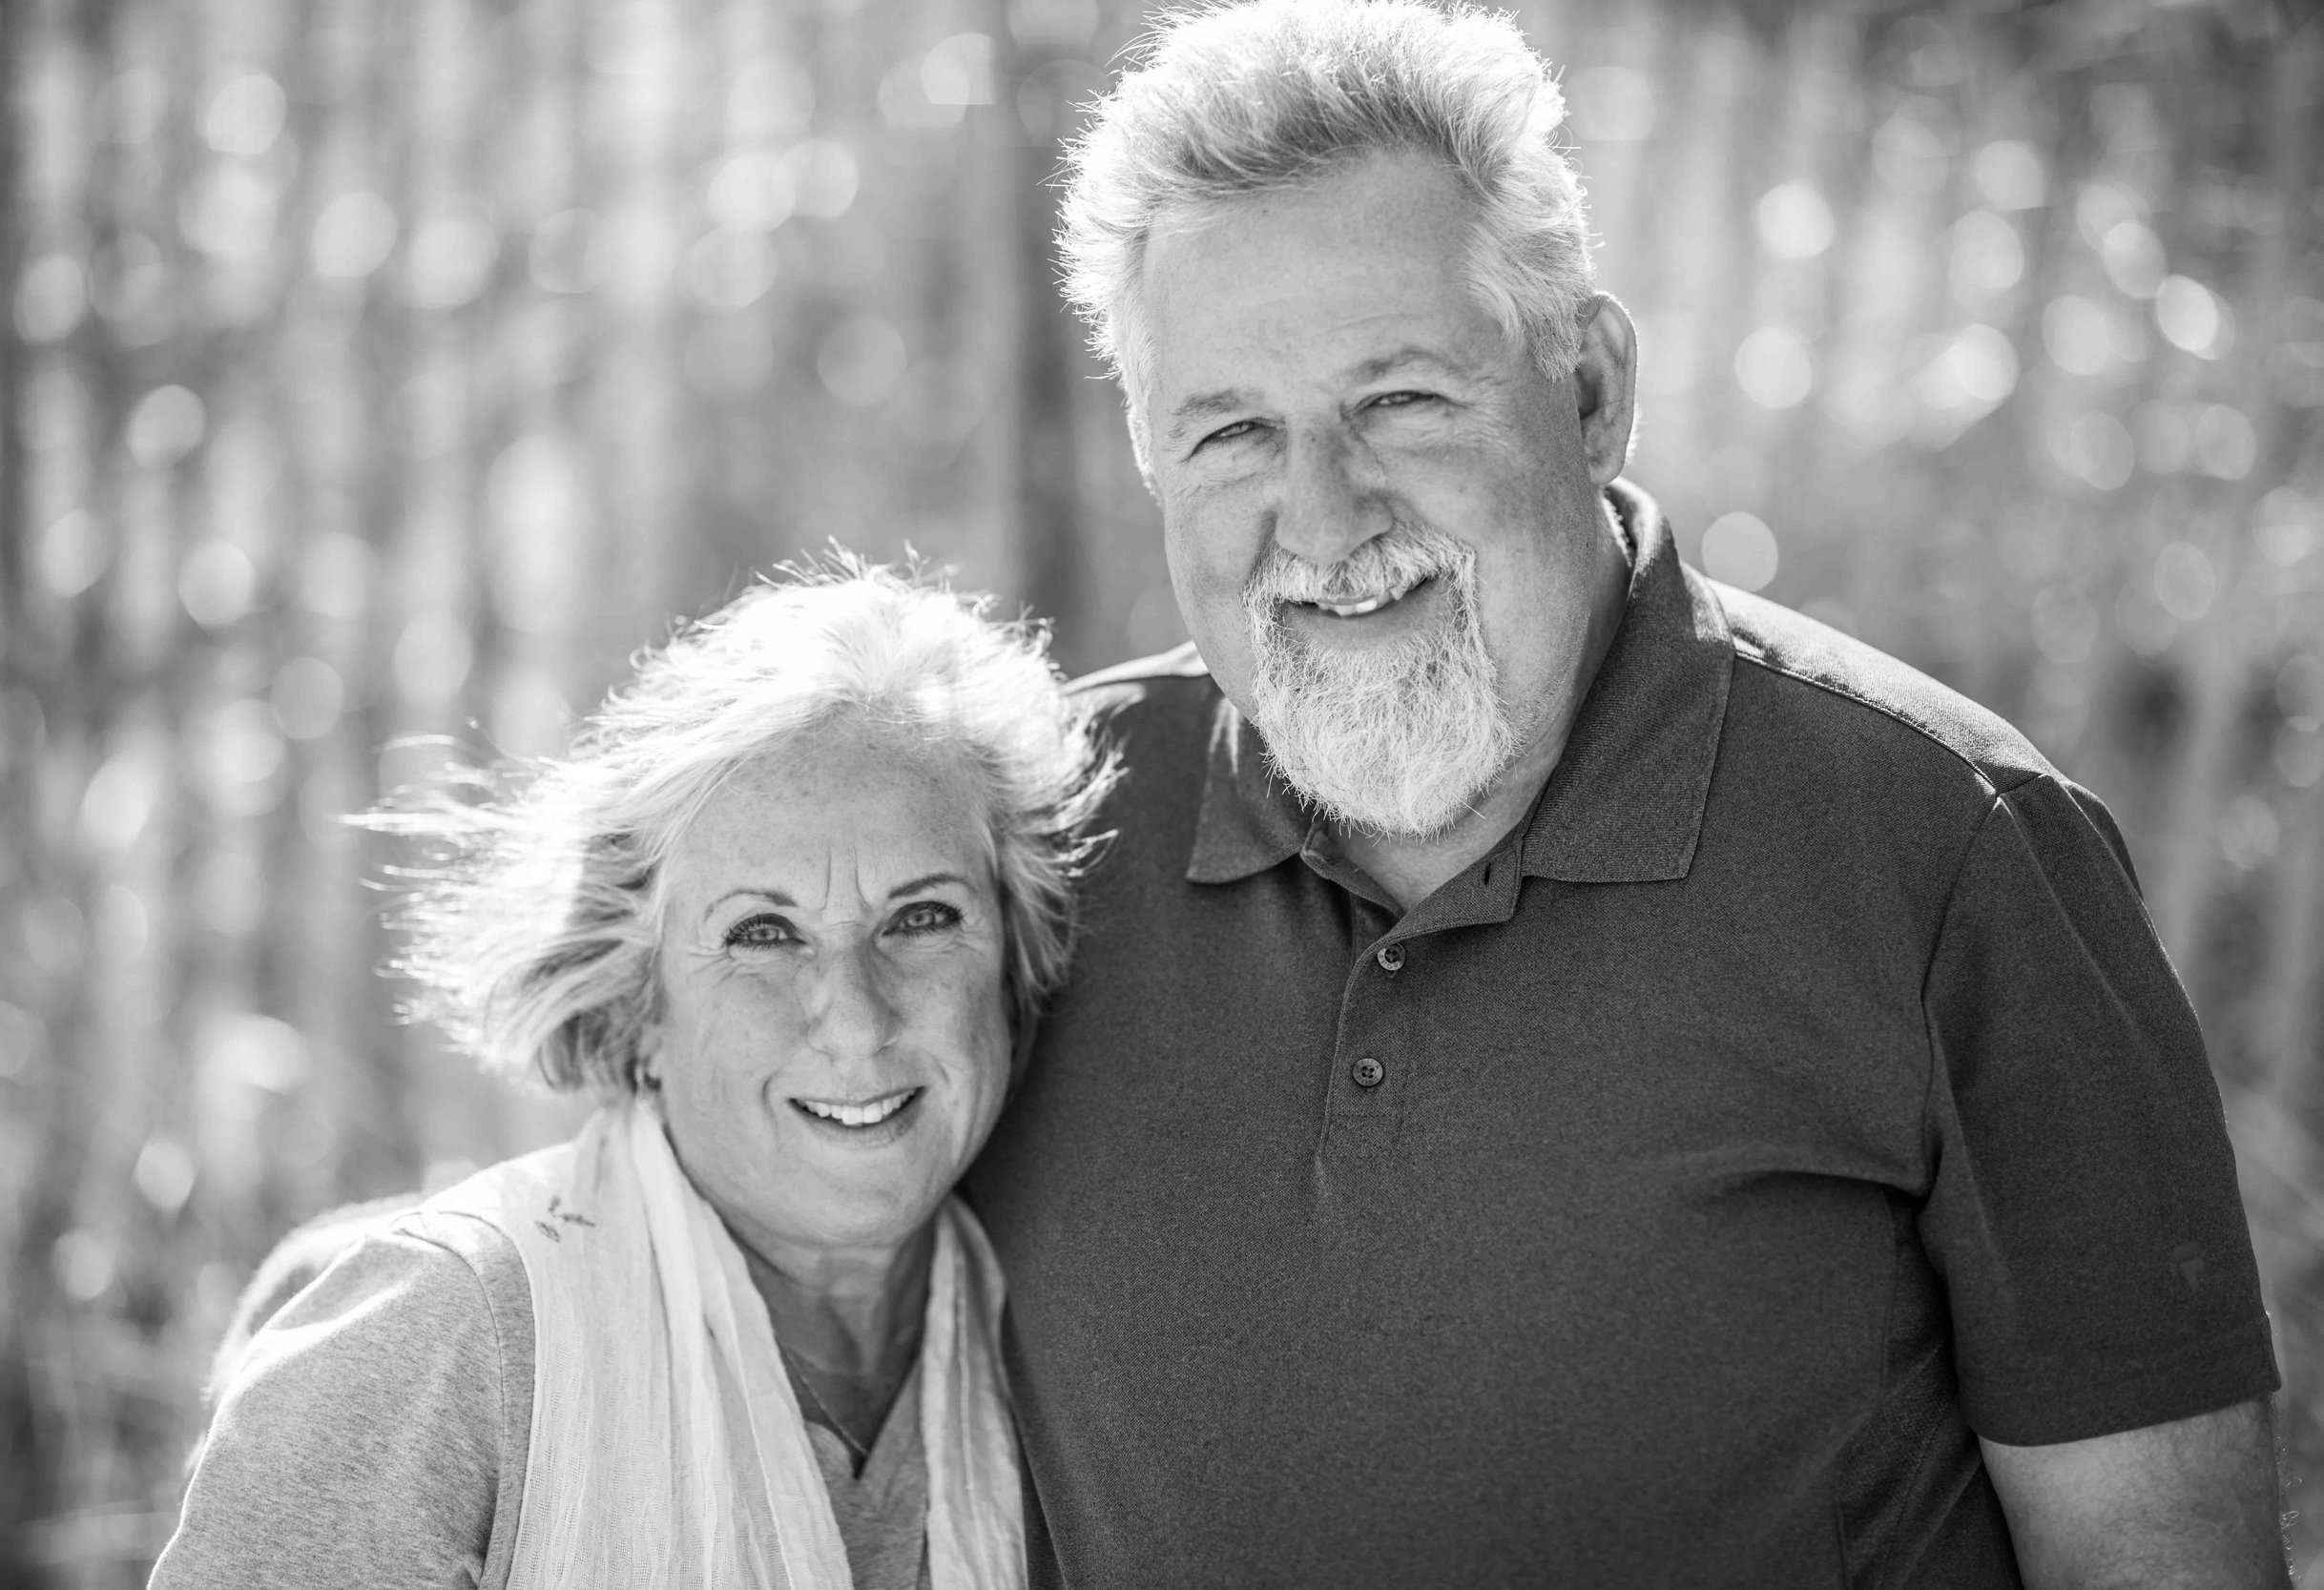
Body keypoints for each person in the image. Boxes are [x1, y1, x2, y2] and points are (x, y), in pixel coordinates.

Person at [963, 3, 2288, 1585]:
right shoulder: (1030, 845)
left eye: (1400, 399)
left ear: (1588, 388)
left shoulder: (1950, 853)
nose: (1320, 516)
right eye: (1234, 429)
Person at [154, 563, 1114, 1590]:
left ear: (1016, 957)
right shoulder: (448, 1334)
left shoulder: (1075, 1358)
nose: (853, 1015)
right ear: (639, 1006)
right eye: (762, 932)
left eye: (920, 917)